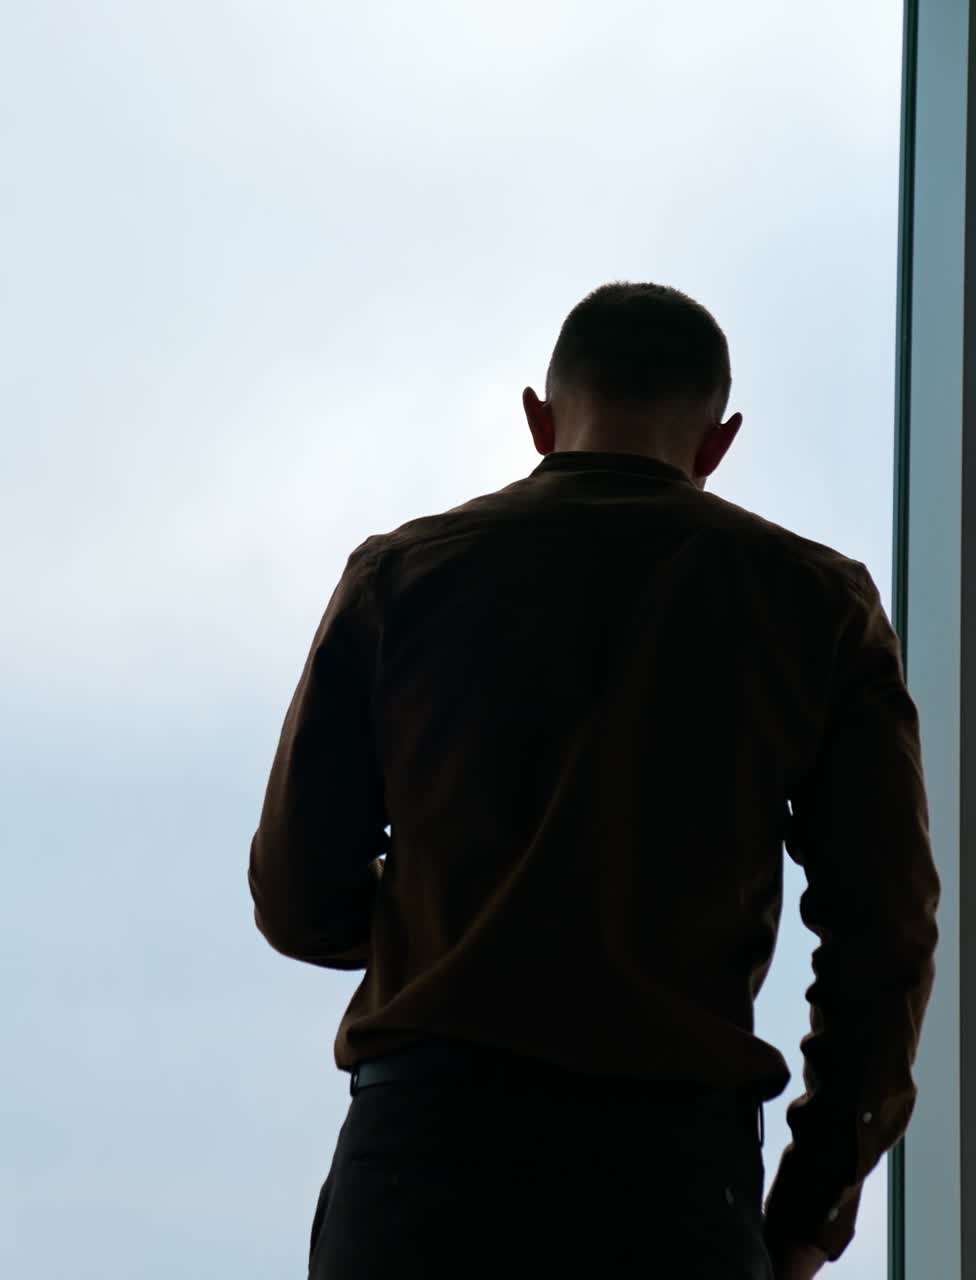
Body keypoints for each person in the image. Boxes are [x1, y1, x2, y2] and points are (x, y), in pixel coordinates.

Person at [248, 281, 941, 1278]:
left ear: (538, 418)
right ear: (717, 442)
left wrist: (466, 917)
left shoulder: (397, 577)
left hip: (422, 1161)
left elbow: (294, 898)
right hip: (672, 1182)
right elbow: (885, 929)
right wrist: (805, 1208)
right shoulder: (815, 603)